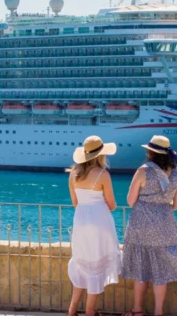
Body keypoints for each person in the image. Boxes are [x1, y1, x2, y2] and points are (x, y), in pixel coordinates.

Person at [121, 135, 177, 316]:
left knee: (141, 270)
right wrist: (161, 205)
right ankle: (158, 312)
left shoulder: (143, 171)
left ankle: (138, 311)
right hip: (166, 224)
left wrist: (148, 203)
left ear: (150, 152)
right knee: (160, 272)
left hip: (141, 224)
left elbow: (130, 200)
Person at [66, 135, 122, 316]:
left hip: (81, 220)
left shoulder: (73, 175)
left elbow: (75, 203)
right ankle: (90, 311)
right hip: (99, 221)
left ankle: (72, 309)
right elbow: (112, 205)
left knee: (82, 264)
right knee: (97, 266)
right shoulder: (103, 175)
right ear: (101, 155)